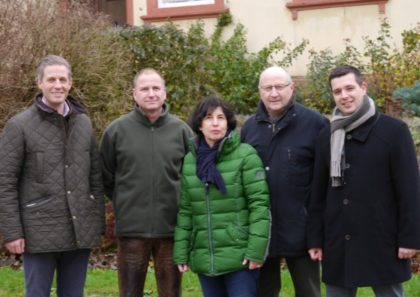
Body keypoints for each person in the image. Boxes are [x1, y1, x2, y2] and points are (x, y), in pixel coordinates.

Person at [307, 64, 420, 297]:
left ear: (363, 87)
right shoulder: (325, 137)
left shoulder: (393, 131)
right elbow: (318, 194)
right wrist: (315, 238)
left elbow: (410, 190)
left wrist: (410, 238)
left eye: (350, 88)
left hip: (383, 239)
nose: (344, 96)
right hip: (338, 240)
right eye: (337, 91)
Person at [0, 54, 105, 297]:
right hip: (39, 231)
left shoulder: (83, 123)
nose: (58, 85)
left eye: (62, 79)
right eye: (51, 79)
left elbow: (95, 178)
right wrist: (13, 232)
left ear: (70, 83)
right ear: (40, 83)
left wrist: (96, 222)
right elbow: (5, 182)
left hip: (79, 231)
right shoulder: (20, 126)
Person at [100, 68, 192, 297]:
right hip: (132, 230)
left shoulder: (182, 131)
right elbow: (106, 175)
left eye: (156, 88)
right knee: (130, 293)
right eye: (145, 88)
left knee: (171, 292)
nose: (151, 93)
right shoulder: (117, 130)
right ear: (134, 94)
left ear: (165, 93)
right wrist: (125, 200)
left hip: (171, 229)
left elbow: (193, 176)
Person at [241, 66, 328, 297]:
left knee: (309, 291)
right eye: (267, 87)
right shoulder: (250, 128)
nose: (274, 93)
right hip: (262, 229)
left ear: (292, 88)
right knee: (263, 291)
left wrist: (317, 228)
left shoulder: (316, 124)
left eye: (279, 86)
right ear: (259, 91)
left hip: (301, 229)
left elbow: (324, 179)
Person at [173, 95, 271, 297]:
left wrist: (256, 251)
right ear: (200, 124)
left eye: (221, 117)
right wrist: (181, 252)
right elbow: (186, 210)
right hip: (205, 255)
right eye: (209, 117)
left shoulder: (246, 155)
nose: (215, 123)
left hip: (240, 255)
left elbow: (259, 206)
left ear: (229, 123)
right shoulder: (191, 161)